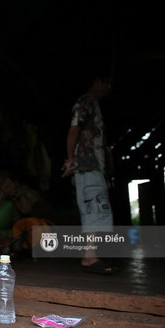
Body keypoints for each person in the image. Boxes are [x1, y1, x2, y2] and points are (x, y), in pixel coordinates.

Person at [61, 72, 118, 274]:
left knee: (98, 208)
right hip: (86, 166)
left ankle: (94, 254)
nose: (109, 89)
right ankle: (90, 256)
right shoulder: (85, 101)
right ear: (98, 81)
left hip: (94, 167)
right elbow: (73, 130)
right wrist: (71, 160)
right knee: (93, 208)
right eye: (108, 83)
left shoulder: (93, 104)